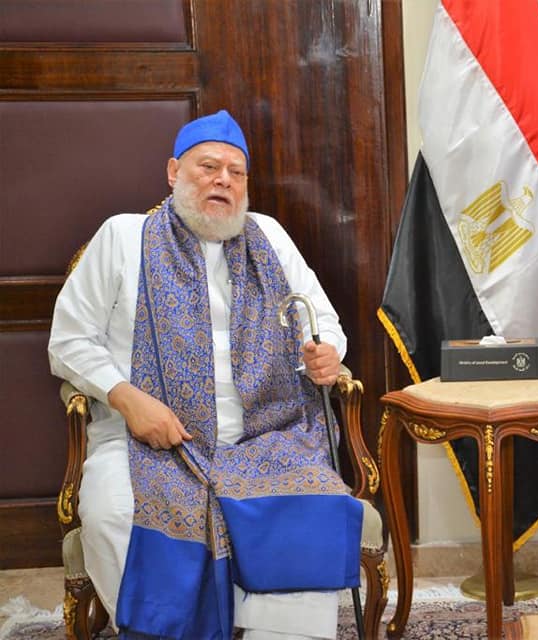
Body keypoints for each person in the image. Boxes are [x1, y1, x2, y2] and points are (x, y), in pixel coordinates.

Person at [48, 110, 362, 640]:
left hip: (267, 434)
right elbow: (69, 340)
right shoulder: (123, 236)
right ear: (174, 172)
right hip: (150, 440)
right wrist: (127, 399)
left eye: (236, 173)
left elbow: (322, 321)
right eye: (208, 167)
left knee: (308, 503)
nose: (223, 180)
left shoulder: (270, 237)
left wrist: (327, 352)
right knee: (113, 511)